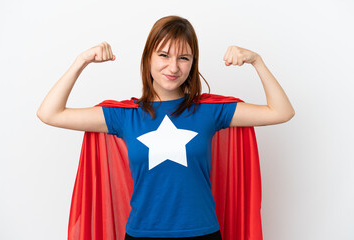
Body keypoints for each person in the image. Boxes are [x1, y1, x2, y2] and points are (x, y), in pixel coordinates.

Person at [37, 15, 295, 240]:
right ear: (148, 57)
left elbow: (281, 112)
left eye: (184, 58)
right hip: (142, 233)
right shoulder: (125, 116)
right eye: (163, 55)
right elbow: (50, 113)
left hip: (202, 232)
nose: (173, 67)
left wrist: (256, 61)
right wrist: (81, 60)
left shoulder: (209, 110)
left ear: (193, 63)